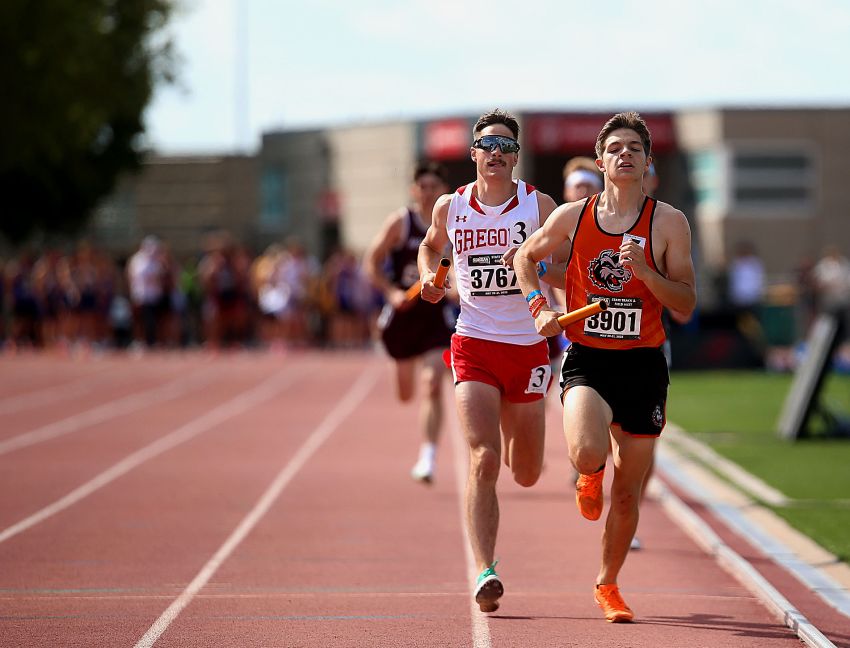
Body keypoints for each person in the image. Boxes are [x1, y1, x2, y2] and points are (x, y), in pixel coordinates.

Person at [514, 111, 696, 623]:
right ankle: (586, 474)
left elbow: (686, 300)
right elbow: (523, 258)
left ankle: (608, 583)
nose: (624, 154)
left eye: (634, 148)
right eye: (615, 147)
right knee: (587, 449)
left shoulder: (669, 223)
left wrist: (645, 273)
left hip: (643, 364)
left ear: (647, 162)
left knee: (628, 491)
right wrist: (539, 308)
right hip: (589, 359)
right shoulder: (573, 217)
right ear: (600, 160)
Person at [418, 109, 560, 613]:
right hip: (473, 340)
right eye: (487, 146)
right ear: (473, 154)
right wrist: (432, 278)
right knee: (483, 457)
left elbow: (562, 260)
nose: (496, 154)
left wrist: (531, 262)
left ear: (516, 157)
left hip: (526, 347)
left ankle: (526, 435)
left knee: (525, 472)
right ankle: (485, 569)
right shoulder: (451, 206)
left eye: (505, 147)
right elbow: (430, 247)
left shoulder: (537, 204)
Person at [364, 161, 455, 483]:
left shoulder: (454, 222)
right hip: (404, 315)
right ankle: (404, 364)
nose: (429, 193)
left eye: (435, 187)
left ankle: (428, 457)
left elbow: (459, 272)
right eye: (424, 187)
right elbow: (371, 262)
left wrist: (453, 289)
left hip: (435, 319)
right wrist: (390, 293)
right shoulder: (401, 223)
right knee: (405, 395)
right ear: (414, 190)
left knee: (432, 384)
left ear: (443, 190)